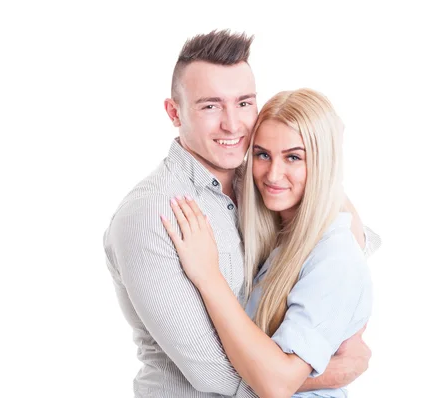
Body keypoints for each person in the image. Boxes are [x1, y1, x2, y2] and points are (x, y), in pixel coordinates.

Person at [103, 30, 380, 397]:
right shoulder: (154, 214)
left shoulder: (260, 181)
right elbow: (217, 376)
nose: (233, 125)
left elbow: (341, 238)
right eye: (210, 106)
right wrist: (332, 370)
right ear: (174, 112)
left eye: (244, 103)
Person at [161, 88, 373, 397]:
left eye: (294, 157)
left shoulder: (335, 256)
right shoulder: (282, 236)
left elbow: (276, 384)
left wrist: (207, 276)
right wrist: (331, 372)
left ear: (323, 161)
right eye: (262, 154)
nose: (273, 174)